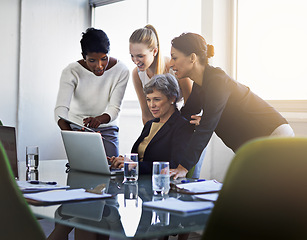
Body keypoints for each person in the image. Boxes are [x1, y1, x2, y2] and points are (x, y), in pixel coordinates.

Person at [169, 32, 295, 179]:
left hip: (273, 134)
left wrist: (183, 167)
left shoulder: (217, 81)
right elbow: (186, 116)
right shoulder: (200, 85)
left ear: (192, 58)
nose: (171, 64)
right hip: (254, 144)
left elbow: (206, 128)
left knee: (267, 193)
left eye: (174, 57)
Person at [129, 25, 205, 178]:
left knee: (186, 176)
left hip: (184, 127)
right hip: (164, 123)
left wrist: (174, 130)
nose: (136, 61)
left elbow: (191, 107)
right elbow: (146, 113)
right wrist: (152, 141)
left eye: (140, 56)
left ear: (154, 51)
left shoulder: (175, 68)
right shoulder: (137, 74)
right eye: (132, 56)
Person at [54, 28, 129, 157]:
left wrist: (99, 120)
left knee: (112, 168)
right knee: (82, 168)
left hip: (107, 128)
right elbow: (60, 110)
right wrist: (73, 136)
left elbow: (114, 108)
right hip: (78, 128)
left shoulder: (121, 70)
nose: (99, 66)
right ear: (84, 56)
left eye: (103, 58)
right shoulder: (71, 71)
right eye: (92, 60)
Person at [110, 73, 194, 174]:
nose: (151, 105)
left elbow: (174, 165)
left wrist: (136, 165)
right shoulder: (150, 124)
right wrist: (124, 161)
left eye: (157, 99)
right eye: (148, 100)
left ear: (172, 98)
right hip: (138, 179)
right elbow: (141, 157)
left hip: (159, 183)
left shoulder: (182, 126)